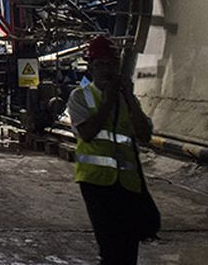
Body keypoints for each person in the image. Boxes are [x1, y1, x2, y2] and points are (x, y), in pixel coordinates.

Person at [67, 35, 154, 265]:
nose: (106, 70)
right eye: (100, 64)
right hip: (96, 184)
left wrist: (129, 98)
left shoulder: (127, 100)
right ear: (91, 67)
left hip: (127, 184)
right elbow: (87, 133)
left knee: (128, 250)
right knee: (110, 248)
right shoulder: (80, 97)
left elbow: (144, 134)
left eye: (110, 64)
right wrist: (107, 102)